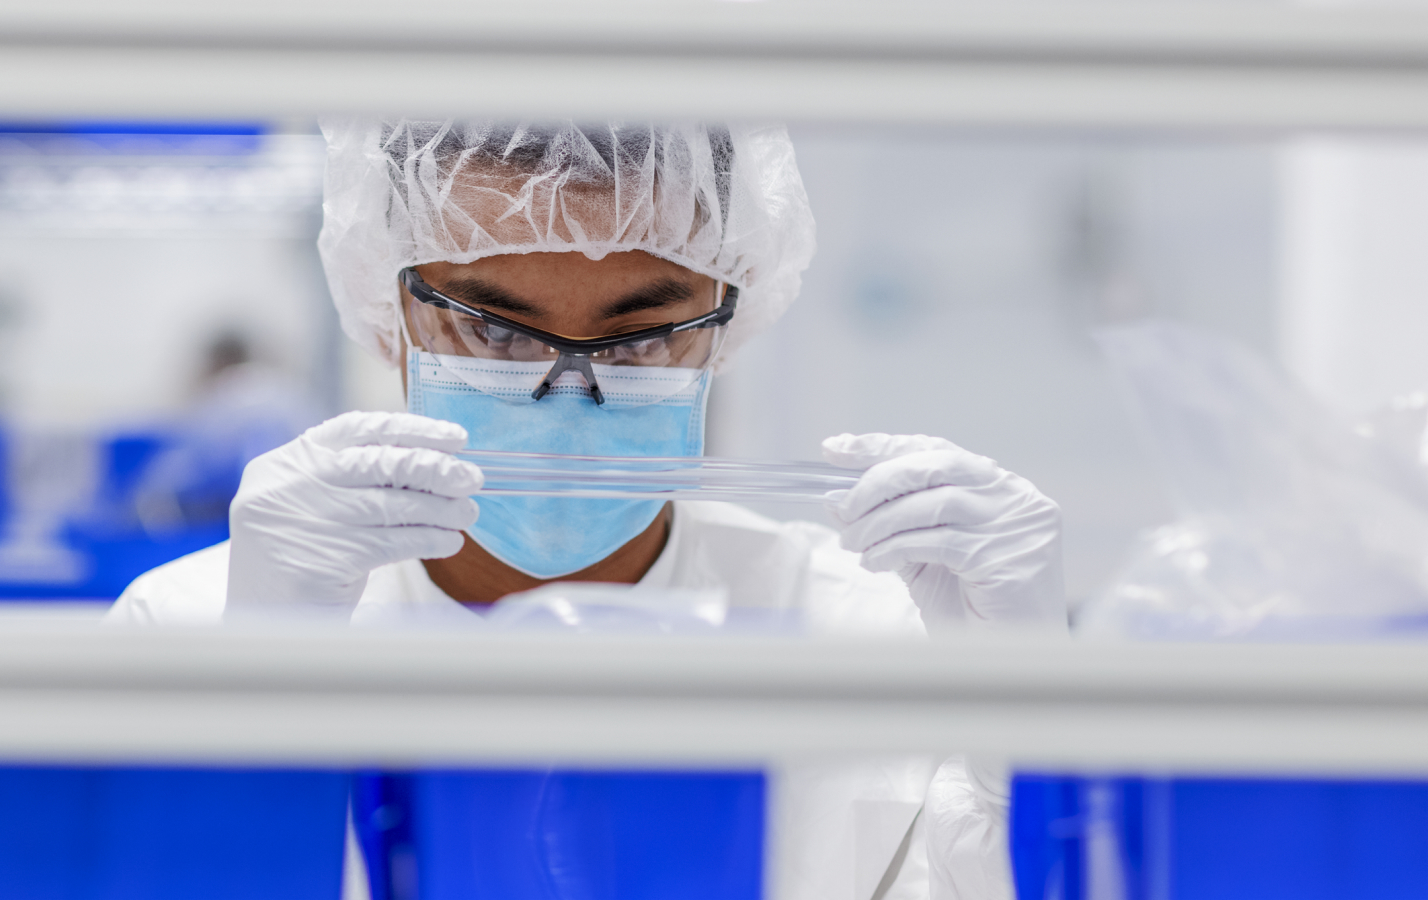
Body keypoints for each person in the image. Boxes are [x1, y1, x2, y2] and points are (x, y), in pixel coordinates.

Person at [108, 120, 1065, 900]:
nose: (568, 396)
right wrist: (260, 713)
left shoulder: (871, 645)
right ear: (386, 312)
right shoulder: (199, 628)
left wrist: (1024, 734)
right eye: (491, 328)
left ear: (730, 315)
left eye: (644, 335)